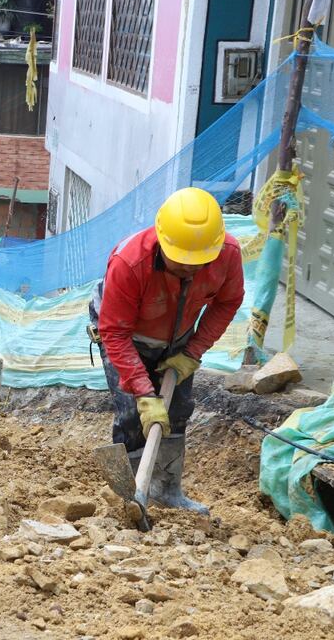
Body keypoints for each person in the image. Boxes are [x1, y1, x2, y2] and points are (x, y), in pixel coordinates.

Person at [90, 187, 244, 514]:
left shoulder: (227, 254)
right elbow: (115, 332)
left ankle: (167, 490)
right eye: (183, 263)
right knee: (134, 413)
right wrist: (145, 395)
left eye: (199, 263)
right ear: (162, 240)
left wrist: (193, 352)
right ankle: (130, 497)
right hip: (125, 334)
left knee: (176, 411)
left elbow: (228, 301)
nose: (191, 270)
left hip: (179, 339)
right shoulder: (130, 262)